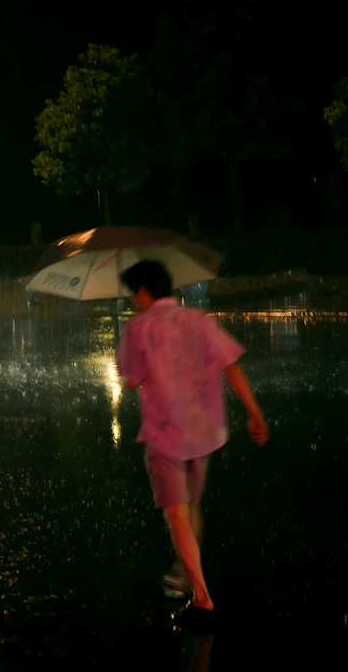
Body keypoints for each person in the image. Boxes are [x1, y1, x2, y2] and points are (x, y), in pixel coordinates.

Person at [115, 260, 269, 629]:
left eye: (132, 294)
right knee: (191, 505)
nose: (132, 301)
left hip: (166, 436)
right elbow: (231, 364)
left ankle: (201, 597)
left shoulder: (138, 328)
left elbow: (132, 380)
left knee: (176, 515)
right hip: (203, 433)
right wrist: (254, 412)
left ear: (142, 292)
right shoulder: (199, 321)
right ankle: (185, 574)